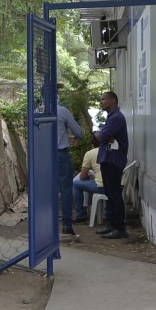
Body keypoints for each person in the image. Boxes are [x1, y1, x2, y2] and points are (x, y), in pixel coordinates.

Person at [93, 91, 129, 240]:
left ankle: (120, 228)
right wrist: (102, 135)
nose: (101, 102)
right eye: (100, 99)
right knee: (110, 194)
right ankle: (113, 225)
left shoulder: (116, 118)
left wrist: (99, 134)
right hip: (107, 160)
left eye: (104, 99)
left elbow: (101, 137)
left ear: (113, 100)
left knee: (114, 194)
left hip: (113, 161)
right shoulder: (111, 117)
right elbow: (103, 137)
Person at [53, 100, 86, 236]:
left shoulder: (37, 112)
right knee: (66, 190)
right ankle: (67, 225)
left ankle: (45, 224)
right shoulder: (62, 111)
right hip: (60, 154)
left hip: (41, 156)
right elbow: (78, 132)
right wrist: (72, 137)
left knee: (45, 190)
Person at [71, 146, 102, 225]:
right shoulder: (112, 151)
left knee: (76, 184)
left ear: (92, 145)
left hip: (101, 187)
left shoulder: (90, 153)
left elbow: (82, 176)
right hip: (116, 186)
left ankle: (81, 216)